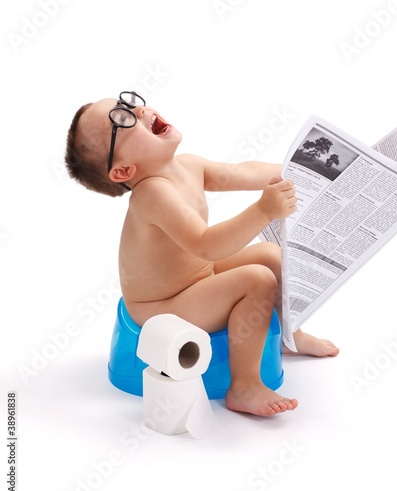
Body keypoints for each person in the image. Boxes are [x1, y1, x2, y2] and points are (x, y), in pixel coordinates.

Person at [65, 91, 339, 417]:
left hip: (195, 279)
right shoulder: (153, 195)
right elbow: (207, 244)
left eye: (131, 104)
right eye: (123, 120)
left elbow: (242, 171)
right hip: (162, 307)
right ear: (123, 171)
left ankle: (288, 336)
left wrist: (302, 170)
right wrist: (264, 211)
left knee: (270, 254)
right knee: (257, 280)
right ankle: (245, 384)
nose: (139, 110)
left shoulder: (189, 166)